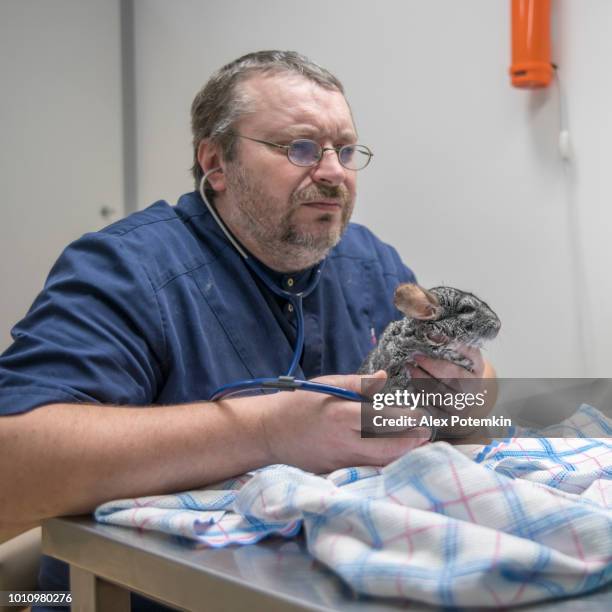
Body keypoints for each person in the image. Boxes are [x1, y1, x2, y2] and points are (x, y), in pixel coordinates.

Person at [0, 50, 495, 608]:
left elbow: (473, 404)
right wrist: (267, 433)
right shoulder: (127, 270)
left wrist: (464, 391)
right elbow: (14, 464)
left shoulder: (370, 263)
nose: (333, 172)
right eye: (300, 148)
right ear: (216, 163)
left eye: (346, 151)